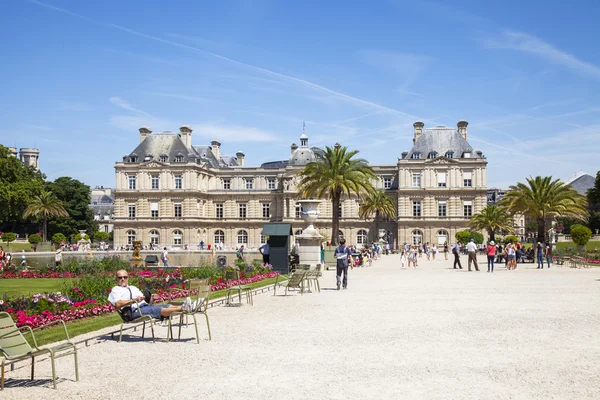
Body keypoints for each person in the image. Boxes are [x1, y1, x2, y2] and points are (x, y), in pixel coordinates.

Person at [108, 269, 190, 320]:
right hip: (133, 311)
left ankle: (188, 307)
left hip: (145, 307)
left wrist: (152, 298)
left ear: (128, 278)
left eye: (125, 277)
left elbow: (148, 302)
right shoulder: (116, 290)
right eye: (120, 277)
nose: (123, 279)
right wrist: (134, 301)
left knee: (166, 306)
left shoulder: (133, 288)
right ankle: (184, 307)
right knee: (158, 310)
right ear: (116, 279)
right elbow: (117, 304)